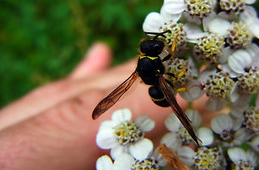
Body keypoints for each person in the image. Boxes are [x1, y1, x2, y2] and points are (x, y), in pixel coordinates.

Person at [0, 43, 181, 170]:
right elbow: (169, 59)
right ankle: (183, 87)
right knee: (175, 87)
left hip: (156, 90)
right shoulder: (156, 71)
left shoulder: (142, 67)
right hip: (162, 94)